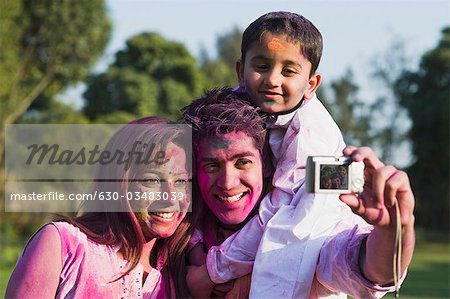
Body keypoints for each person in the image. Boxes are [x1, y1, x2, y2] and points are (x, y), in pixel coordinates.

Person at [189, 12, 415, 298]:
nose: (272, 79)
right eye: (261, 66)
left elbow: (284, 215)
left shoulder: (312, 135)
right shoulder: (232, 113)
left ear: (311, 84)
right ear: (240, 72)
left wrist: (212, 270)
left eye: (288, 71)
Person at [6, 116, 193, 298]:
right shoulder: (64, 245)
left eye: (181, 181)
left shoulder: (184, 275)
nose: (170, 197)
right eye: (152, 179)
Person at [181, 88, 268, 298]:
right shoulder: (175, 237)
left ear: (265, 164)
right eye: (212, 166)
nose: (227, 183)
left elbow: (347, 261)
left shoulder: (299, 228)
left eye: (243, 162)